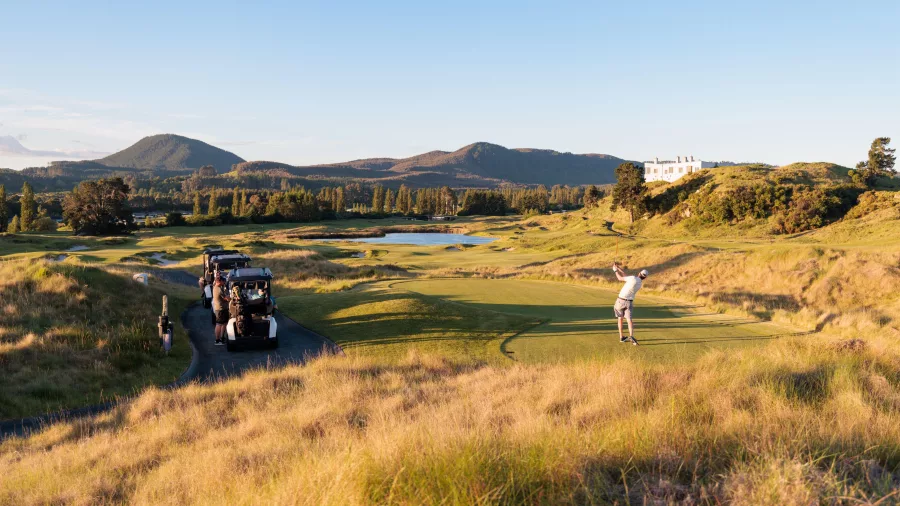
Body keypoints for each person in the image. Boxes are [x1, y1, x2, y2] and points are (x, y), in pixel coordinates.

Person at [612, 262, 649, 346]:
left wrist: (615, 271)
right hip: (629, 302)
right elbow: (626, 276)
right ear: (645, 277)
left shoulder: (632, 278)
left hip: (620, 301)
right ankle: (631, 336)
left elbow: (620, 278)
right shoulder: (639, 283)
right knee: (629, 320)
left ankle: (621, 337)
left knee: (620, 319)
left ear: (639, 273)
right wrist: (619, 268)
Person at [211, 276, 230, 346]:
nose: (224, 282)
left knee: (224, 323)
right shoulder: (218, 289)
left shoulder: (216, 287)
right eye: (223, 281)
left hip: (222, 309)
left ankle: (222, 338)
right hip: (220, 309)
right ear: (220, 281)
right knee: (219, 324)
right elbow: (227, 299)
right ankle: (217, 340)